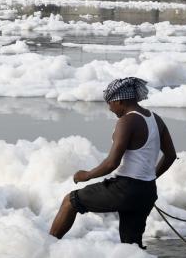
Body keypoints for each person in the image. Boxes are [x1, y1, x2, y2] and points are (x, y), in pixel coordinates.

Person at [49, 77, 177, 248]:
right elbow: (170, 155)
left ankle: (46, 248)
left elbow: (111, 163)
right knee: (131, 247)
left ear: (120, 100)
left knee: (70, 201)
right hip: (147, 192)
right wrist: (150, 178)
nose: (109, 108)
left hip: (124, 189)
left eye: (110, 103)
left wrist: (86, 175)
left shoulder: (126, 121)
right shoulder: (156, 119)